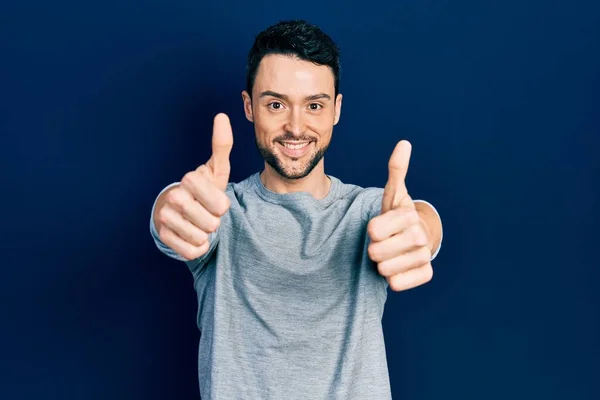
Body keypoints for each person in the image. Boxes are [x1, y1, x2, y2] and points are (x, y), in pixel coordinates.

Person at [149, 19, 443, 400]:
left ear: (336, 110)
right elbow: (177, 214)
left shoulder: (371, 213)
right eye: (275, 104)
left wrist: (424, 226)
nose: (295, 126)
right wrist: (168, 208)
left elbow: (417, 223)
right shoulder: (219, 212)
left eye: (314, 105)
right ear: (248, 107)